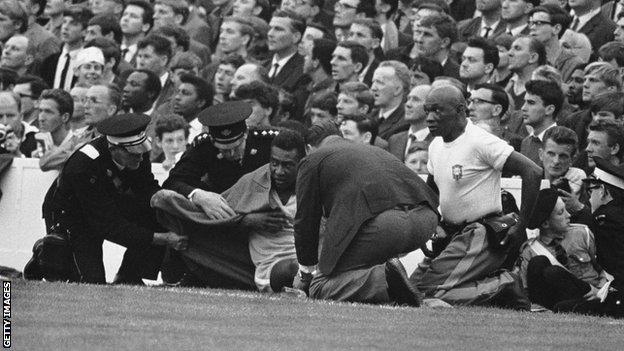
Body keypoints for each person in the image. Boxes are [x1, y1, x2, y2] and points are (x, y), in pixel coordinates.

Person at [409, 85, 542, 308]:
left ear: (460, 110)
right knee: (409, 290)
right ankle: (493, 287)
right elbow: (431, 193)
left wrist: (521, 226)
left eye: (437, 111)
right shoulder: (435, 146)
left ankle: (503, 285)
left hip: (480, 232)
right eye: (427, 110)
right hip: (451, 234)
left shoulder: (480, 141)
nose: (429, 118)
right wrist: (430, 225)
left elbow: (533, 172)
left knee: (423, 292)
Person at [292, 121, 440, 306]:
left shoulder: (312, 159)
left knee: (320, 286)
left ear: (308, 148)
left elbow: (305, 221)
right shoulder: (374, 151)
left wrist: (305, 273)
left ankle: (383, 279)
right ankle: (390, 281)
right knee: (361, 267)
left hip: (385, 225)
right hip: (426, 220)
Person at [40, 113, 187, 284]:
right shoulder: (83, 165)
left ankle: (129, 276)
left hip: (108, 202)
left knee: (157, 214)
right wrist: (162, 239)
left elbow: (144, 186)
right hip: (71, 214)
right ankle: (43, 256)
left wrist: (161, 197)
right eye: (134, 154)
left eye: (142, 151)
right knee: (90, 282)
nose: (140, 157)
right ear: (114, 149)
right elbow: (108, 225)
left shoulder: (137, 151)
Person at [515, 188, 617, 315]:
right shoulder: (530, 251)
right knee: (541, 263)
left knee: (559, 293)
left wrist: (602, 290)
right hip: (558, 299)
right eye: (561, 212)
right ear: (546, 223)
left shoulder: (582, 233)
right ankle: (541, 309)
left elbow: (605, 268)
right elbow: (526, 291)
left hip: (592, 296)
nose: (568, 215)